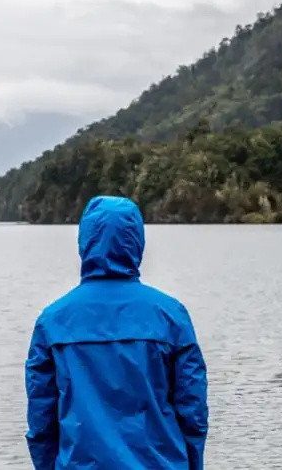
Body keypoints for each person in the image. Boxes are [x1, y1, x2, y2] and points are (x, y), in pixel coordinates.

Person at [25, 195, 208, 469]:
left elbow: (41, 421)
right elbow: (192, 411)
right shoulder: (171, 317)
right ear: (137, 241)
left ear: (84, 241)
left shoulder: (52, 322)